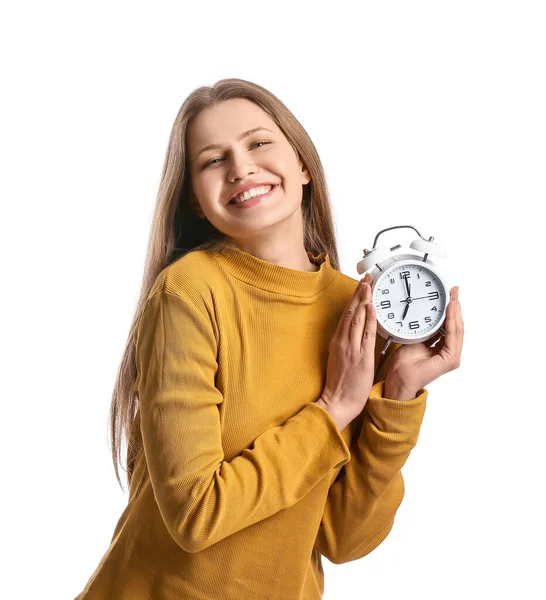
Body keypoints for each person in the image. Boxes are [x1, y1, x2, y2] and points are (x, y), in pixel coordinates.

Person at [74, 78, 464, 599]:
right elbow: (195, 514)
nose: (241, 168)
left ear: (302, 164)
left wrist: (398, 396)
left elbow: (343, 538)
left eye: (258, 143)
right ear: (194, 200)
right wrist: (331, 410)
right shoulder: (190, 291)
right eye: (213, 160)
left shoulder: (359, 310)